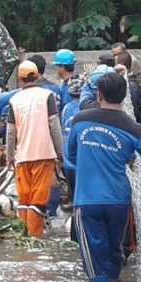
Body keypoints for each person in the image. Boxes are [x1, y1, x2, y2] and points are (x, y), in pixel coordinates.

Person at [68, 72, 141, 282]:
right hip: (119, 201)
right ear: (123, 97)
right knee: (113, 253)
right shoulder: (134, 128)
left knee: (94, 264)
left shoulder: (80, 120)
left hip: (87, 201)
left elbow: (71, 157)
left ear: (98, 94)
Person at [5, 61, 64, 239]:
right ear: (37, 77)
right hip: (44, 154)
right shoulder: (47, 96)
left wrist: (9, 157)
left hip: (22, 156)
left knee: (23, 199)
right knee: (38, 199)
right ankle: (35, 240)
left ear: (19, 79)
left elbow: (10, 131)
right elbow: (54, 125)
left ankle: (22, 238)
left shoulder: (14, 100)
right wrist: (60, 151)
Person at [59, 75, 84, 224]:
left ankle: (75, 224)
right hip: (83, 161)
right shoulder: (87, 108)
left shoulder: (66, 109)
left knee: (73, 195)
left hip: (68, 161)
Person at [115, 52, 141, 130]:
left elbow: (134, 110)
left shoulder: (131, 86)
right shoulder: (128, 83)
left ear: (121, 65)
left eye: (116, 64)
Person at [52, 49, 78, 114]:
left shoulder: (69, 88)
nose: (55, 68)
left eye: (56, 65)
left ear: (62, 67)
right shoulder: (77, 82)